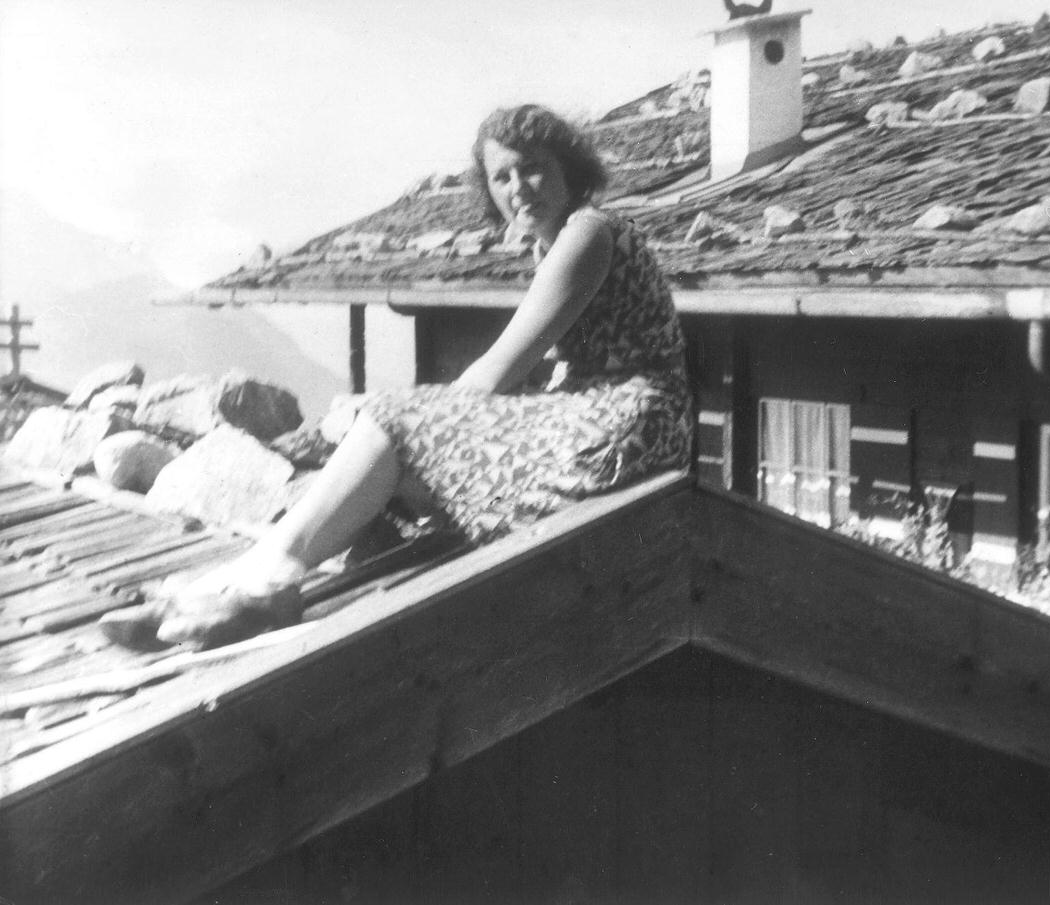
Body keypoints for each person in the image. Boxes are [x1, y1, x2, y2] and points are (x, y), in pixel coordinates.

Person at [102, 104, 693, 649]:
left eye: (534, 170)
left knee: (393, 418)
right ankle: (243, 582)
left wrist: (418, 418)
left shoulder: (587, 231)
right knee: (398, 438)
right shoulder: (553, 243)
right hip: (607, 417)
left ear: (570, 169)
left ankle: (262, 578)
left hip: (628, 425)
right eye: (502, 177)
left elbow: (500, 370)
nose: (519, 189)